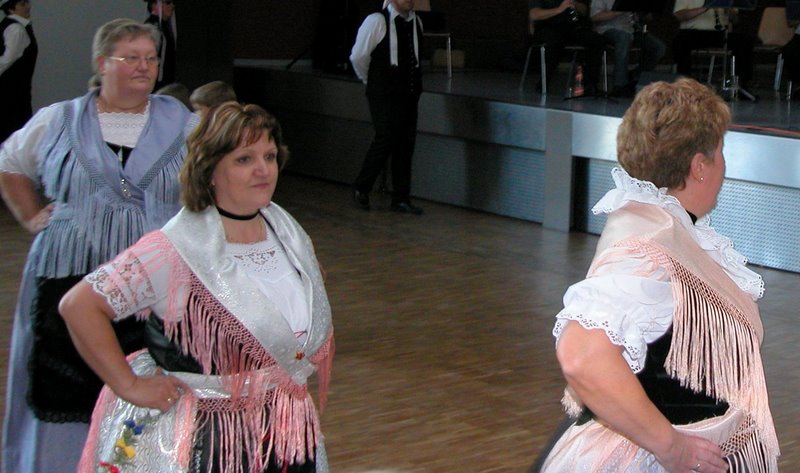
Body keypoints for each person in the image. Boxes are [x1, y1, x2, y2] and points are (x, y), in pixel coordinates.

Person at [59, 102, 335, 473]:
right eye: (244, 159)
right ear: (210, 171)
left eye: (269, 156)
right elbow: (79, 306)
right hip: (211, 444)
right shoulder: (175, 251)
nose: (263, 170)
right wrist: (129, 385)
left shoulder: (287, 234)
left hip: (286, 433)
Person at [540, 78, 779, 471]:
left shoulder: (660, 223)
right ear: (699, 166)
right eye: (720, 152)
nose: (723, 166)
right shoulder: (649, 245)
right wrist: (670, 446)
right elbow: (583, 355)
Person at [0, 18, 198, 472]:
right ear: (102, 63)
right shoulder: (59, 119)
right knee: (62, 387)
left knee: (147, 381)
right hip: (66, 272)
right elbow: (9, 163)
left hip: (151, 282)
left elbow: (218, 177)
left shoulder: (186, 124)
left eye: (151, 58)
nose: (144, 67)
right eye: (131, 57)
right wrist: (31, 216)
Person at [349, 0, 424, 215]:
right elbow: (358, 56)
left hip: (408, 93)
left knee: (406, 143)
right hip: (383, 93)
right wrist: (371, 80)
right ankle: (361, 187)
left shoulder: (417, 22)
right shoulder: (377, 21)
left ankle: (401, 198)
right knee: (386, 136)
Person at [528, 0, 607, 95]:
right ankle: (543, 83)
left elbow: (584, 11)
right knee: (555, 42)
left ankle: (590, 85)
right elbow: (534, 14)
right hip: (547, 27)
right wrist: (559, 9)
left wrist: (575, 4)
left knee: (596, 40)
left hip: (570, 27)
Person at [673, 0, 756, 91]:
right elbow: (679, 15)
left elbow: (735, 20)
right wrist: (706, 7)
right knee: (681, 41)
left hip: (718, 33)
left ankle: (741, 85)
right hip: (693, 32)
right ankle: (685, 84)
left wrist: (728, 10)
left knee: (744, 41)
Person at [590, 0, 666, 97]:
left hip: (631, 30)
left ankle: (636, 77)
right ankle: (620, 85)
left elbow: (647, 19)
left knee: (658, 47)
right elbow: (594, 17)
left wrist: (644, 12)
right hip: (607, 29)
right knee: (624, 38)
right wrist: (619, 11)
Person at [0, 0, 36, 143]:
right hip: (12, 97)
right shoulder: (16, 29)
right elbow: (6, 61)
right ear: (11, 8)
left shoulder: (13, 27)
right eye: (22, 4)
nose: (28, 7)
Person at [144, 0, 176, 90]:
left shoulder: (165, 27)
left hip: (164, 79)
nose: (172, 6)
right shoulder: (151, 27)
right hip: (155, 81)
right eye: (168, 2)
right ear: (155, 5)